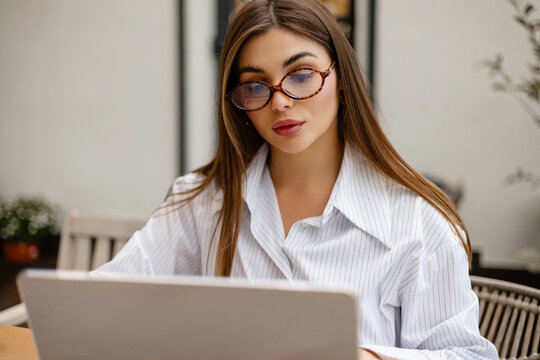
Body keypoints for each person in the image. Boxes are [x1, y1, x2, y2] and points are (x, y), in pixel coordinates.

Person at [94, 0, 498, 359]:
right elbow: (101, 302)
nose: (281, 101)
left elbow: (468, 355)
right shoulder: (205, 198)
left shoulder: (418, 221)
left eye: (301, 75)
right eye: (255, 86)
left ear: (342, 80)